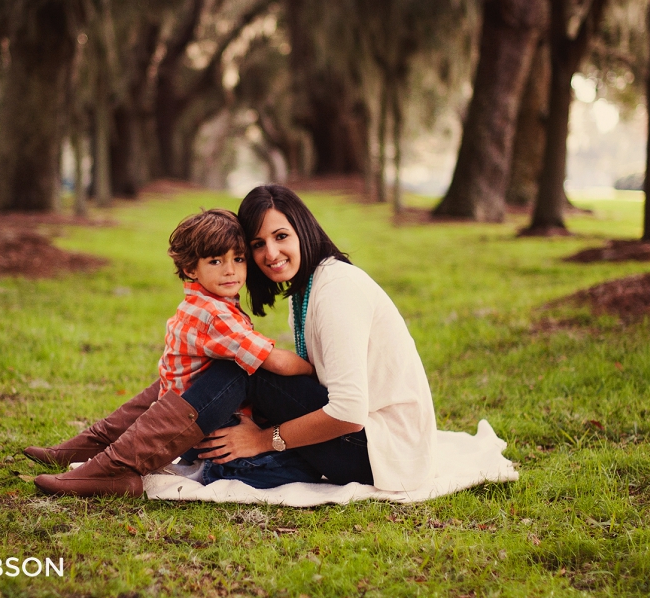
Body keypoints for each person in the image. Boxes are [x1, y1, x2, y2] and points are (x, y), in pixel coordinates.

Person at [27, 184, 438, 496]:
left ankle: (114, 465)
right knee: (217, 366)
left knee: (239, 364)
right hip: (358, 435)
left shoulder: (336, 291)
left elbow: (348, 411)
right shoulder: (308, 286)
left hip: (374, 450)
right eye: (257, 244)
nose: (269, 254)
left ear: (304, 229)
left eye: (281, 236)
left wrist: (263, 438)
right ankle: (96, 451)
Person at [29, 208, 319, 496]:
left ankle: (84, 450)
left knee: (161, 393)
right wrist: (312, 367)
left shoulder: (198, 304)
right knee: (303, 468)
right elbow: (275, 361)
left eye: (238, 259)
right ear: (191, 268)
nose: (230, 270)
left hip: (183, 418)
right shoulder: (215, 315)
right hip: (208, 430)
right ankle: (128, 470)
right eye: (216, 261)